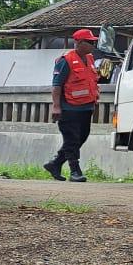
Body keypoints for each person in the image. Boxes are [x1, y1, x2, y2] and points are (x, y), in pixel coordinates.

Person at [44, 30, 102, 182]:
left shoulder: (90, 59)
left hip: (86, 108)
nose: (93, 45)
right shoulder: (66, 60)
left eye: (94, 42)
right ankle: (75, 171)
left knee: (82, 137)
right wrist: (56, 106)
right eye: (90, 42)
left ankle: (55, 164)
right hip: (69, 108)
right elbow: (56, 85)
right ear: (79, 43)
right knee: (72, 140)